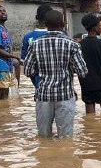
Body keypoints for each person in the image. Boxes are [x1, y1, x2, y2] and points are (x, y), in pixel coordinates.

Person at [23, 10, 88, 138]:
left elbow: (28, 71)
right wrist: (69, 69)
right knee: (66, 138)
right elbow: (83, 71)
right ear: (63, 24)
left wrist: (41, 70)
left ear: (45, 24)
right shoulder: (72, 45)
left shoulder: (34, 45)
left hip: (43, 95)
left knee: (43, 137)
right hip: (65, 95)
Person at [0, 5, 20, 100]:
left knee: (5, 91)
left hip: (7, 65)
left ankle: (3, 113)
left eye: (4, 11)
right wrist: (14, 57)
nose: (2, 13)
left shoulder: (3, 29)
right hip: (0, 65)